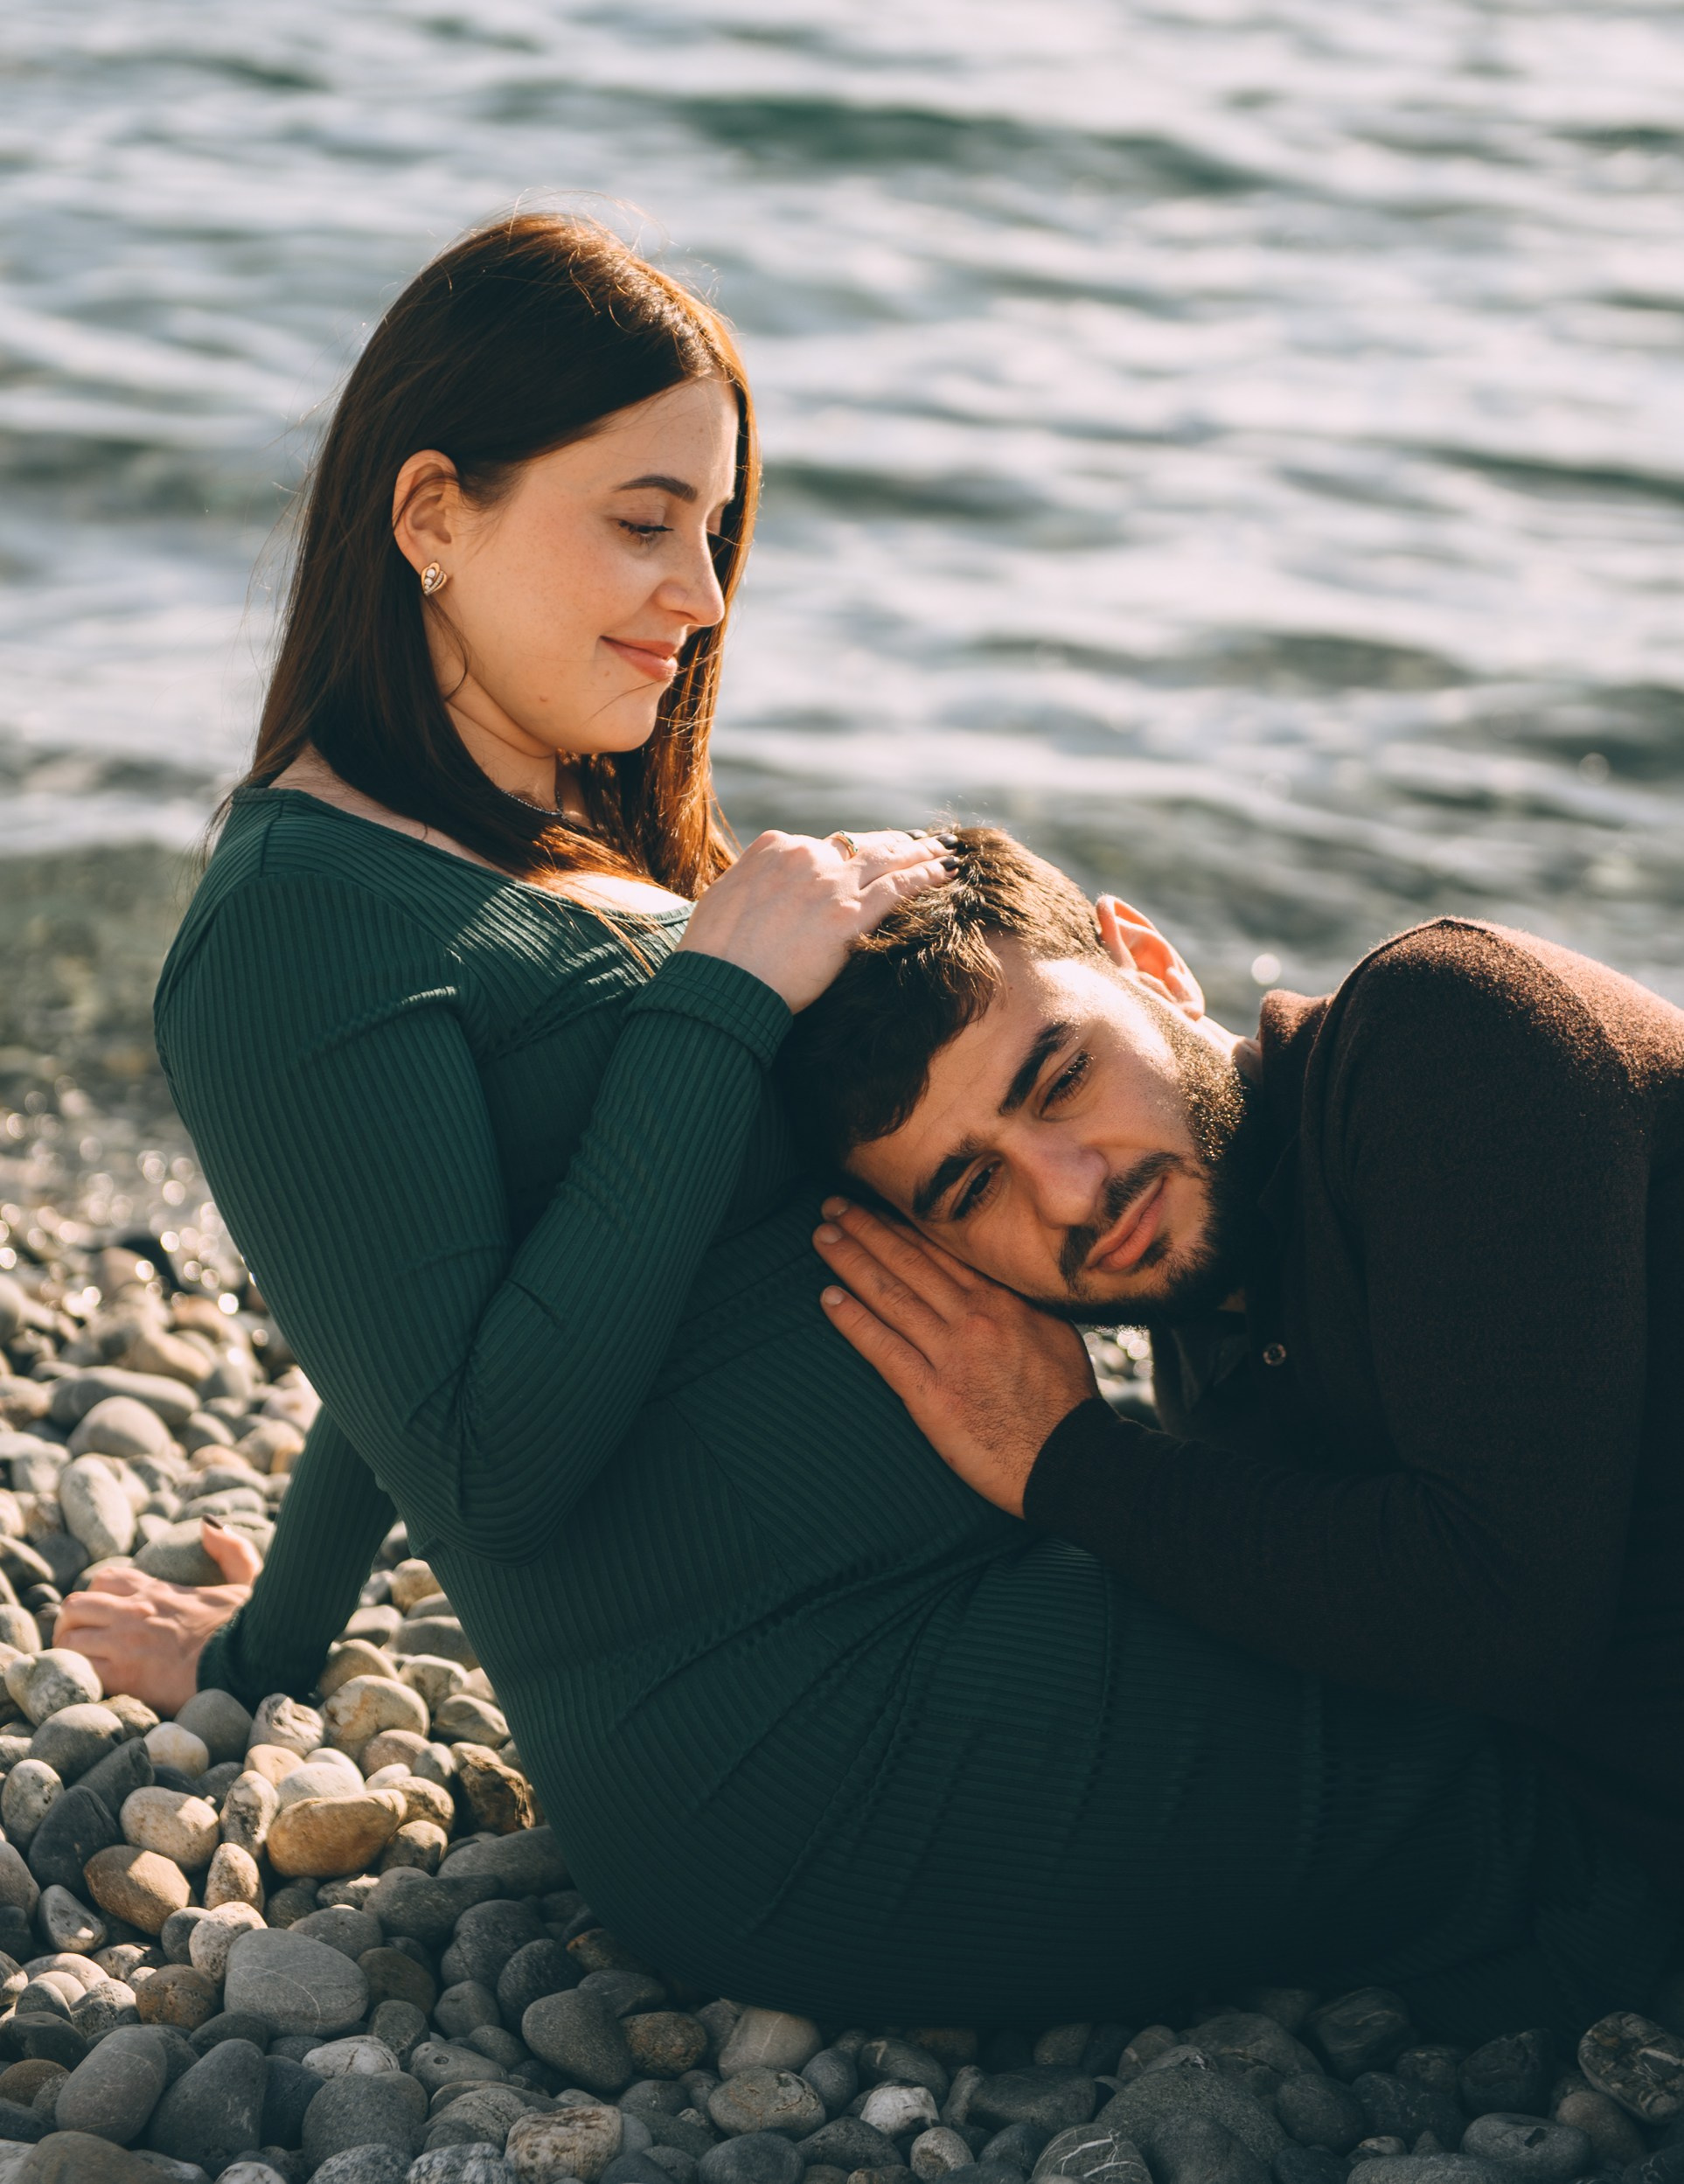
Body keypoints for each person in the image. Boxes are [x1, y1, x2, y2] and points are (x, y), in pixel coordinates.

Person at [57, 213, 1674, 2039]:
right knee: (1546, 1772)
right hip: (832, 1752)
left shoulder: (554, 870)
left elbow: (410, 1309)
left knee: (1497, 1584)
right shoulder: (292, 926)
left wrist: (266, 1645)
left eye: (718, 529)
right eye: (644, 516)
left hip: (957, 1625)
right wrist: (717, 1009)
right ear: (433, 511)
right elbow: (482, 1452)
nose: (705, 591)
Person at [785, 826, 1684, 1887]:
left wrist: (1068, 1459)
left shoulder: (1442, 1027)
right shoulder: (1210, 1373)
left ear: (1154, 963)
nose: (1071, 1191)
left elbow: (1505, 1615)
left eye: (1064, 1077)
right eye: (973, 1188)